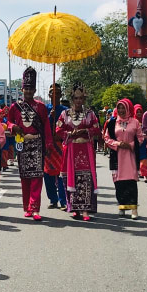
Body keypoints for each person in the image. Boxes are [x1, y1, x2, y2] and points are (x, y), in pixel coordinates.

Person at [8, 67, 52, 220]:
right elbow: (8, 122)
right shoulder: (15, 107)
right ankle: (27, 207)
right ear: (22, 89)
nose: (28, 91)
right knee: (25, 177)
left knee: (37, 176)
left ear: (34, 90)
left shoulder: (40, 106)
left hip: (37, 143)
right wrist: (13, 127)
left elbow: (46, 126)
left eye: (31, 89)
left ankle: (35, 208)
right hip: (22, 144)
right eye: (26, 88)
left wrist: (49, 145)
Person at [56, 82, 100, 221]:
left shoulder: (90, 114)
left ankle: (86, 210)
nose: (78, 101)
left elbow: (97, 129)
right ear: (72, 99)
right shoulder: (64, 114)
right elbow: (58, 130)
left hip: (85, 150)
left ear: (84, 99)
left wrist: (85, 131)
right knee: (71, 178)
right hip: (71, 150)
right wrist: (70, 133)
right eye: (76, 98)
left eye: (81, 98)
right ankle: (74, 208)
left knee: (85, 178)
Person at [104, 99, 145, 219]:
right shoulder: (112, 123)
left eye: (124, 108)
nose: (121, 110)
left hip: (131, 157)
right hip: (117, 156)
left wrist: (131, 145)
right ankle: (122, 206)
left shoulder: (135, 122)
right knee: (119, 183)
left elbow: (140, 138)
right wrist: (117, 144)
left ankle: (133, 209)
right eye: (119, 108)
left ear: (128, 109)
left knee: (131, 182)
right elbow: (106, 138)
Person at [45, 83, 68, 209]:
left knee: (61, 173)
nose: (55, 96)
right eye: (52, 93)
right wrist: (50, 117)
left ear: (60, 95)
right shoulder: (45, 108)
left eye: (57, 93)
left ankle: (63, 200)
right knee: (48, 174)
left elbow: (68, 126)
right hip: (48, 146)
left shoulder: (65, 110)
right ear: (49, 95)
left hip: (61, 145)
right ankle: (53, 199)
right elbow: (42, 126)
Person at [134, 104, 147, 181]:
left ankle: (145, 175)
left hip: (144, 142)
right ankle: (136, 173)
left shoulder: (144, 120)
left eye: (140, 112)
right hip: (135, 143)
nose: (139, 113)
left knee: (144, 158)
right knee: (135, 158)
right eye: (137, 112)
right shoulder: (132, 121)